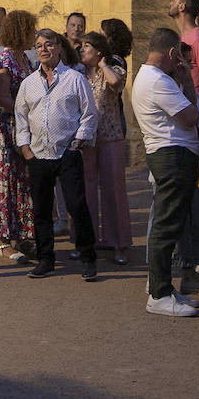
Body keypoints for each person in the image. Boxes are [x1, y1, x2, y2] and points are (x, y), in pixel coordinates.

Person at [15, 28, 99, 280]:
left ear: (59, 48)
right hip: (38, 155)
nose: (43, 49)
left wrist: (78, 141)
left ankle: (87, 257)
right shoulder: (28, 84)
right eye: (39, 45)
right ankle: (45, 259)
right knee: (41, 209)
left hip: (67, 152)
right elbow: (20, 117)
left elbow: (89, 113)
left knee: (76, 205)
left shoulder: (75, 79)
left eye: (48, 45)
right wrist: (25, 147)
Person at [130, 26, 199, 316]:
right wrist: (188, 84)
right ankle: (158, 293)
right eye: (178, 58)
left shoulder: (154, 78)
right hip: (171, 156)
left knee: (169, 223)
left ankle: (164, 288)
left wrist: (183, 82)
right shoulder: (158, 80)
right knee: (165, 225)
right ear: (172, 53)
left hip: (171, 154)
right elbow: (191, 116)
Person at [0, 9, 37, 264]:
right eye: (31, 30)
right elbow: (2, 98)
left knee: (23, 182)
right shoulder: (5, 59)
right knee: (6, 181)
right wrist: (27, 110)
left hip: (23, 128)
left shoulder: (24, 58)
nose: (34, 35)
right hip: (6, 129)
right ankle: (3, 242)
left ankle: (23, 235)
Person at [78, 31, 132, 264]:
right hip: (85, 138)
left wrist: (102, 64)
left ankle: (117, 243)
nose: (81, 50)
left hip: (110, 136)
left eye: (87, 46)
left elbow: (115, 83)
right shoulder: (77, 74)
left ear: (98, 51)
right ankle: (86, 243)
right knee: (86, 192)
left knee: (113, 190)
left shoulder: (113, 69)